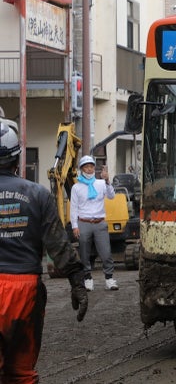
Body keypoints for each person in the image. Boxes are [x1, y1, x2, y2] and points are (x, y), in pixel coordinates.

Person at [0, 122, 88, 383]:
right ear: (17, 158)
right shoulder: (37, 194)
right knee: (20, 372)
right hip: (24, 289)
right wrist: (78, 283)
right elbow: (58, 243)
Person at [70, 155, 119, 291]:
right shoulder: (76, 187)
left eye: (91, 166)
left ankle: (109, 279)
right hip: (83, 222)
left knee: (106, 252)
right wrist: (74, 226)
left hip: (99, 222)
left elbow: (111, 196)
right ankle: (87, 279)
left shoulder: (101, 183)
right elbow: (74, 208)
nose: (89, 169)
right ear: (81, 169)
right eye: (86, 167)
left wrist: (107, 180)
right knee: (84, 253)